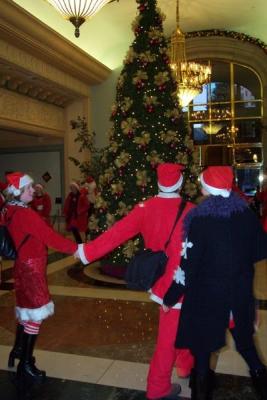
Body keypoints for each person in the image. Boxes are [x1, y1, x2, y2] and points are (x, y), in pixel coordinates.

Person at [75, 163, 195, 400]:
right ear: (180, 183)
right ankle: (158, 388)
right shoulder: (192, 210)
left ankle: (184, 363)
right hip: (183, 282)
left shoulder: (145, 207)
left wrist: (87, 252)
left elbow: (116, 233)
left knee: (181, 325)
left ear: (158, 183)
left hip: (160, 281)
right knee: (168, 337)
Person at [163, 166, 267, 400]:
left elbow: (188, 266)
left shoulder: (199, 219)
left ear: (207, 188)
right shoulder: (246, 215)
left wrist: (170, 297)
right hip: (238, 296)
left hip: (207, 298)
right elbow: (258, 252)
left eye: (202, 183)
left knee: (202, 353)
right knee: (246, 346)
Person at [3, 172, 77, 388]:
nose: (32, 191)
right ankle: (25, 364)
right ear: (18, 191)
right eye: (28, 189)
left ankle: (19, 351)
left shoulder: (9, 210)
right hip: (32, 266)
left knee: (26, 309)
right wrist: (77, 249)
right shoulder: (25, 214)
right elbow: (50, 237)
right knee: (35, 313)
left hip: (21, 266)